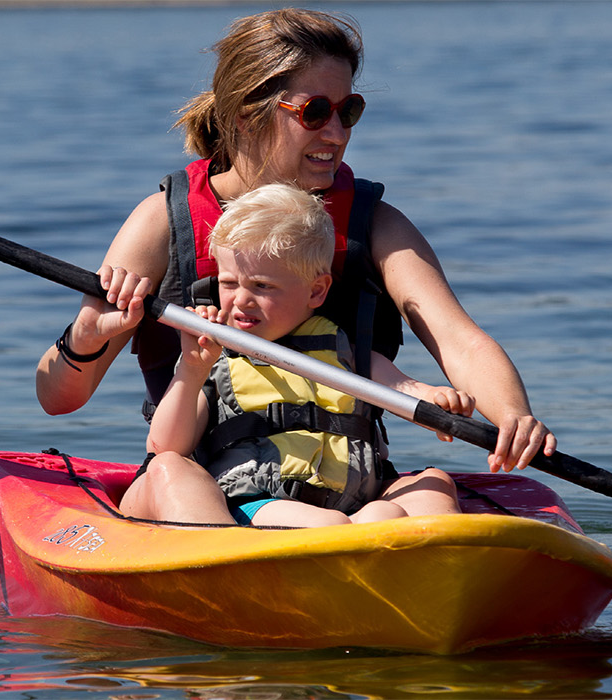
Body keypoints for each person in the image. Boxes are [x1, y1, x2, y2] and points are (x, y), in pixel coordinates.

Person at [35, 8, 556, 525]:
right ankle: (238, 575)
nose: (336, 133)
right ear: (247, 114)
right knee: (172, 474)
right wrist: (86, 336)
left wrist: (513, 416)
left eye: (347, 111)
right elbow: (59, 398)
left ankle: (395, 567)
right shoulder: (160, 224)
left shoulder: (376, 225)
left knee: (433, 487)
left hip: (347, 489)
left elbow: (460, 341)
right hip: (210, 488)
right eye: (314, 112)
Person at [147, 183, 473, 527]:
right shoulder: (214, 355)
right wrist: (192, 371)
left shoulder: (342, 349)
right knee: (335, 524)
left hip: (351, 501)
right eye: (229, 283)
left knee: (431, 485)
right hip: (258, 504)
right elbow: (165, 447)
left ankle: (433, 557)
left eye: (262, 286)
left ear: (316, 291)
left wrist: (436, 399)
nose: (240, 300)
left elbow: (402, 387)